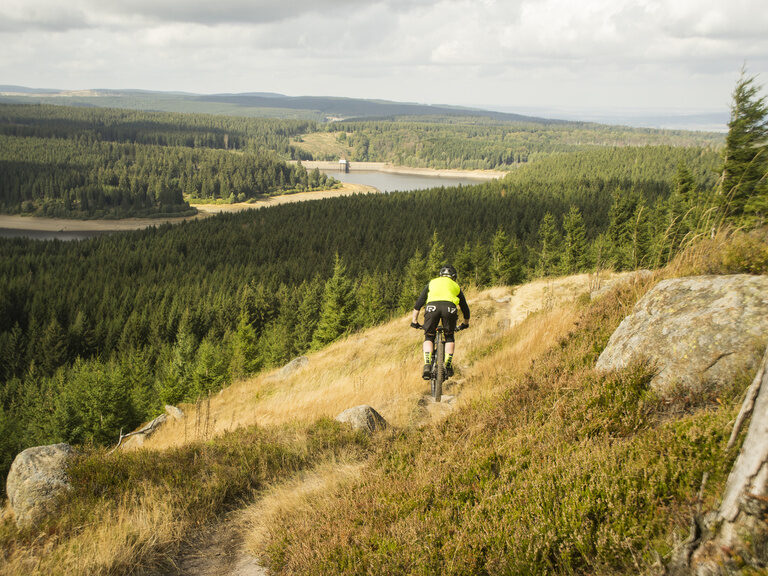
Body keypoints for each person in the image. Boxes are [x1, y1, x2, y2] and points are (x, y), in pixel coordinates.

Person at [410, 265, 470, 380]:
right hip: (449, 308)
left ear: (441, 275)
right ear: (453, 277)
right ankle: (447, 365)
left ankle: (427, 365)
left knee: (429, 336)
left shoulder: (432, 282)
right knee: (449, 337)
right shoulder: (455, 286)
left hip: (432, 307)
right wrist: (465, 323)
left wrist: (414, 321)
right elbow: (464, 307)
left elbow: (419, 303)